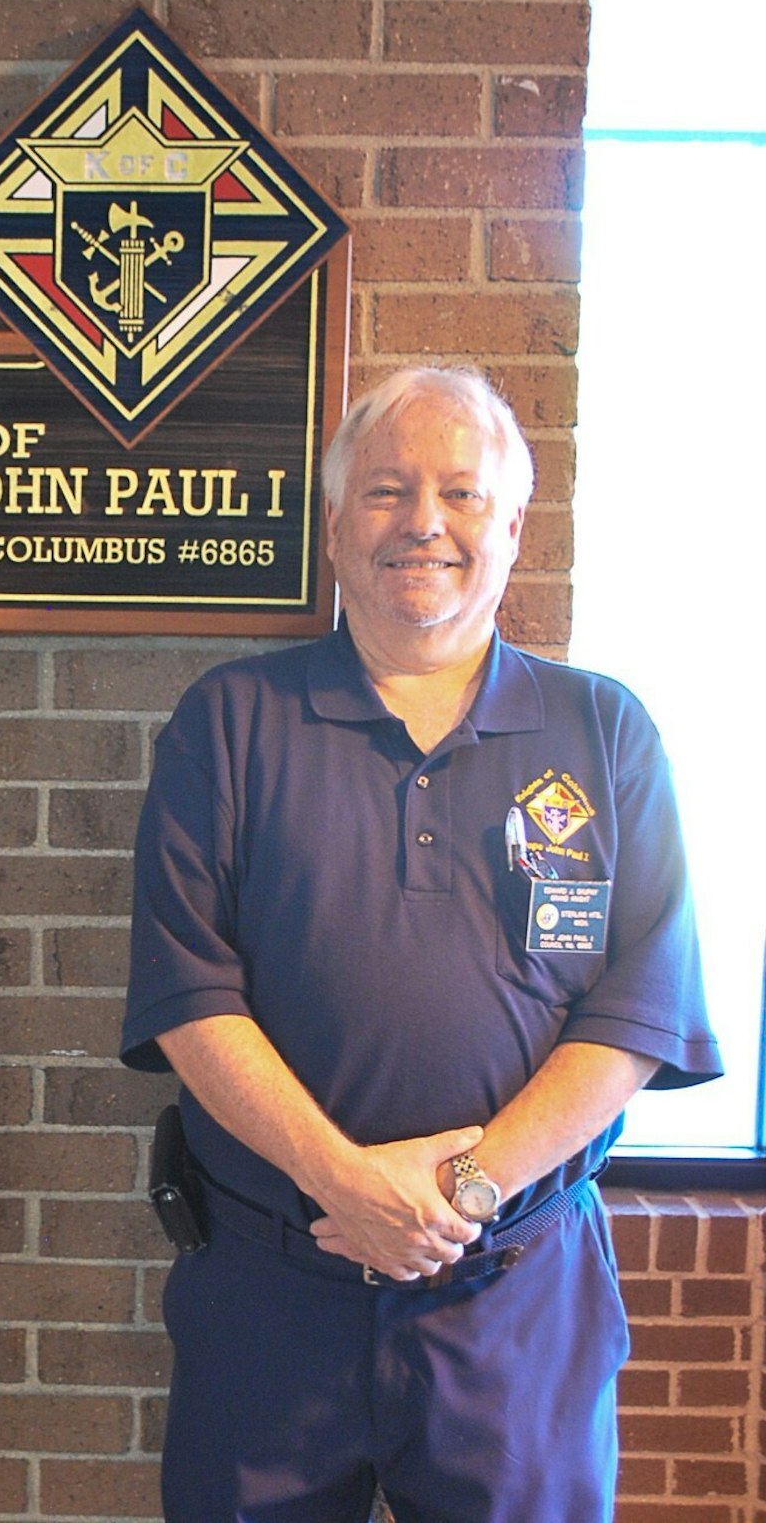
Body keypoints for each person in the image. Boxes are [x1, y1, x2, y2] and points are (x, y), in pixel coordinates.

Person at [122, 365, 719, 1523]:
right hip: (271, 1291)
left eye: (459, 492)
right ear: (336, 525)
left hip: (514, 1298)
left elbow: (637, 1011)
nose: (423, 522)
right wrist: (343, 1180)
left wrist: (460, 1188)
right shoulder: (230, 722)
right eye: (387, 491)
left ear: (511, 526)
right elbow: (188, 995)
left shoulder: (605, 730)